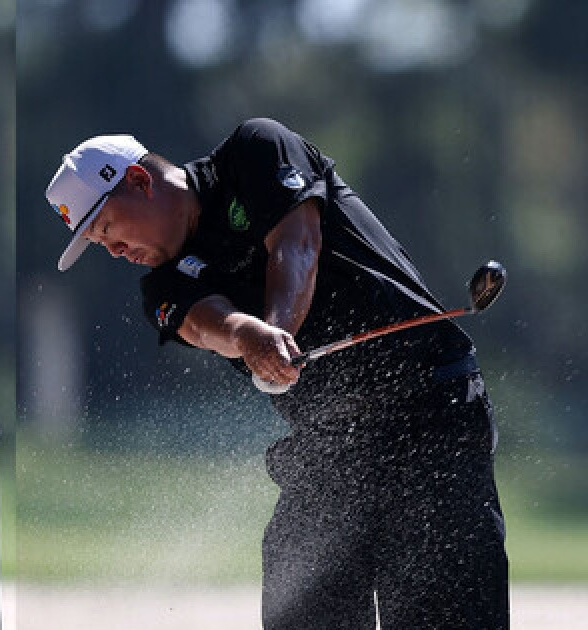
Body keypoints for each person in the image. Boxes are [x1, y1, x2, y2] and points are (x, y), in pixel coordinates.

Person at [44, 118, 508, 629]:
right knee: (301, 606)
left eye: (106, 228)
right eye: (95, 241)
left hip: (428, 409)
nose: (112, 251)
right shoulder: (161, 286)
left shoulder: (255, 151)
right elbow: (206, 323)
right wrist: (248, 336)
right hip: (328, 441)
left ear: (138, 181)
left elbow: (298, 246)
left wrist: (277, 329)